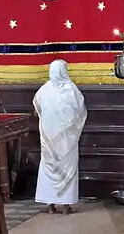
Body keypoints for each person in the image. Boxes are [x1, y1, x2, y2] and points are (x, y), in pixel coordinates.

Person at [33, 59, 86, 214]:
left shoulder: (44, 90)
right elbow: (81, 112)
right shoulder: (72, 90)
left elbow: (37, 111)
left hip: (49, 141)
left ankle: (50, 206)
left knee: (48, 169)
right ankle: (66, 205)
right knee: (68, 169)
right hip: (67, 142)